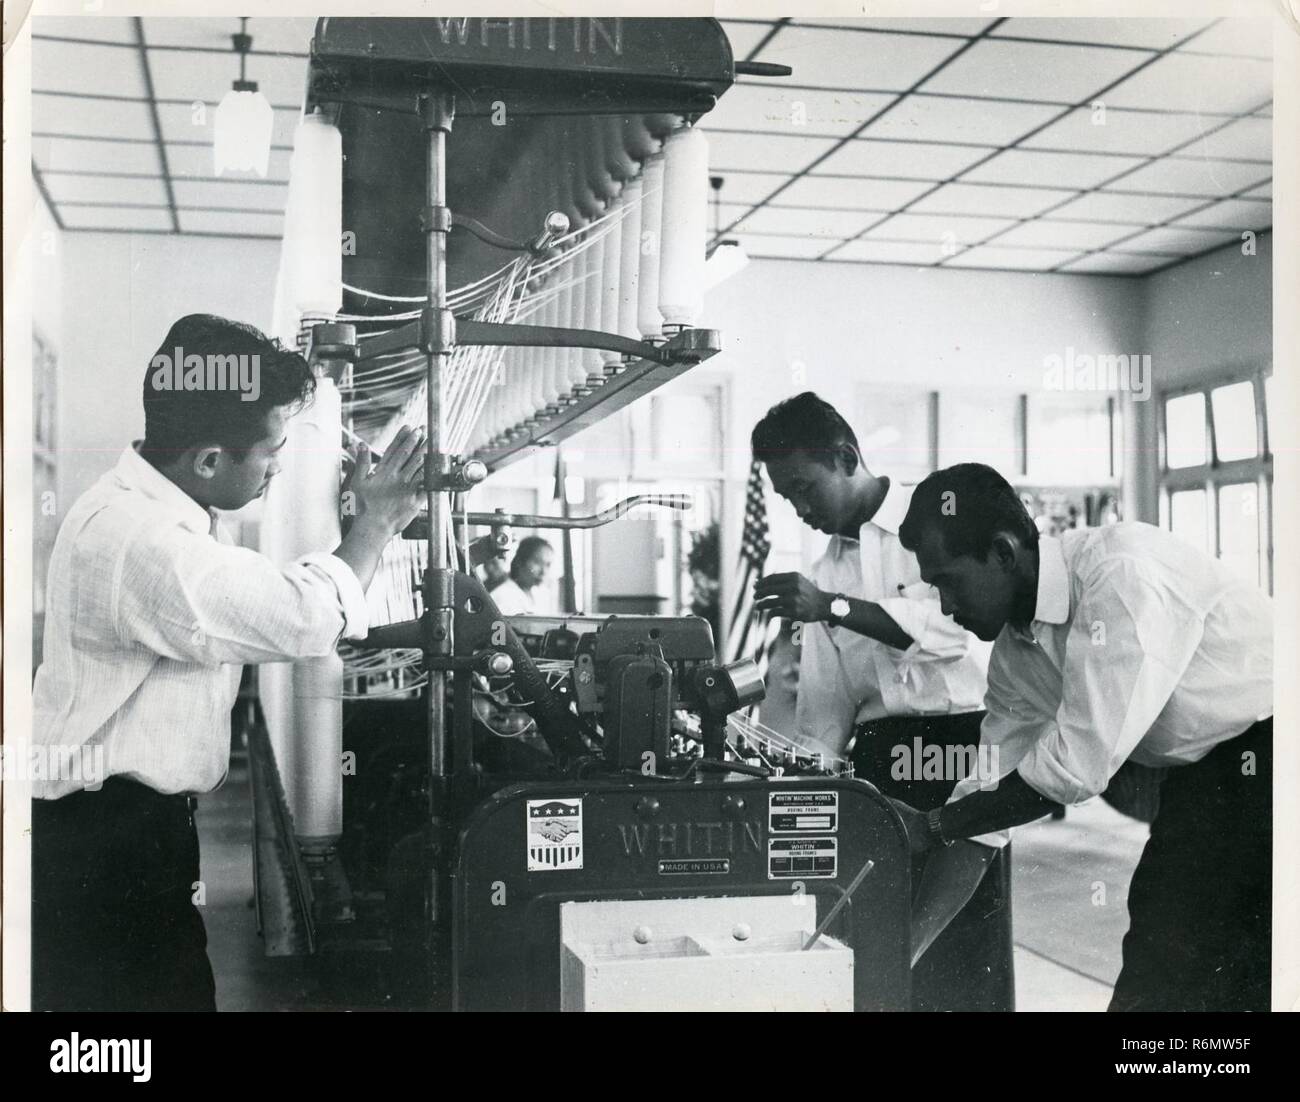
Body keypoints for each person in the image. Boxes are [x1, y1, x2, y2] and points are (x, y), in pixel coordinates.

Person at [30, 313, 427, 1012]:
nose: (277, 467)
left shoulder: (141, 506)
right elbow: (301, 619)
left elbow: (247, 583)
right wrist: (377, 524)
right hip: (112, 849)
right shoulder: (142, 543)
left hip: (117, 835)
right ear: (209, 460)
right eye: (271, 451)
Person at [894, 462, 1273, 1012]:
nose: (947, 609)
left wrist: (932, 826)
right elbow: (981, 813)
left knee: (1239, 963)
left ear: (1003, 551)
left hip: (1277, 745)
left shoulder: (1119, 574)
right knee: (1164, 946)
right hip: (1210, 767)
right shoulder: (1013, 660)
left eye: (948, 581)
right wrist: (899, 955)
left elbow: (1076, 768)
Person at [749, 393, 1011, 1011]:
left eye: (806, 488)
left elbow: (953, 630)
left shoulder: (938, 521)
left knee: (963, 958)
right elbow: (826, 713)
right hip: (879, 765)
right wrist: (799, 788)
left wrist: (835, 607)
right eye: (787, 497)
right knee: (876, 957)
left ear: (846, 456)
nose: (801, 507)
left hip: (961, 748)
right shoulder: (823, 571)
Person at [490, 536, 554, 616]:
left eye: (548, 565)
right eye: (537, 562)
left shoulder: (540, 594)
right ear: (520, 562)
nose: (543, 571)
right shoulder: (502, 596)